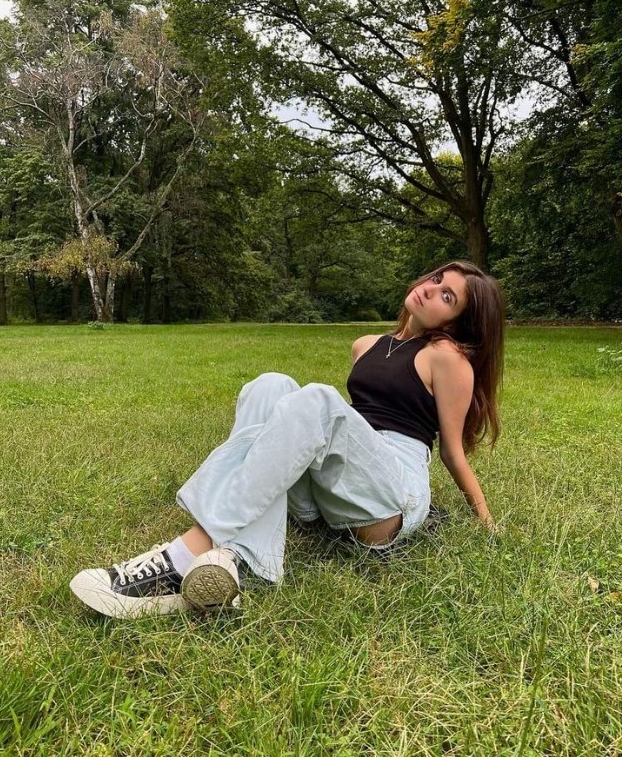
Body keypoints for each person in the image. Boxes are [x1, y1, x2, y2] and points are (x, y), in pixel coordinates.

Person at [70, 260, 505, 619]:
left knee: (318, 400)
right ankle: (228, 563)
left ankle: (182, 558)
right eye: (436, 280)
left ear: (457, 323)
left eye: (448, 297)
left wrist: (485, 522)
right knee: (271, 384)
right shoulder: (367, 344)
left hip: (391, 494)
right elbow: (347, 429)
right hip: (339, 489)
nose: (431, 290)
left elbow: (451, 452)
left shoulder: (447, 359)